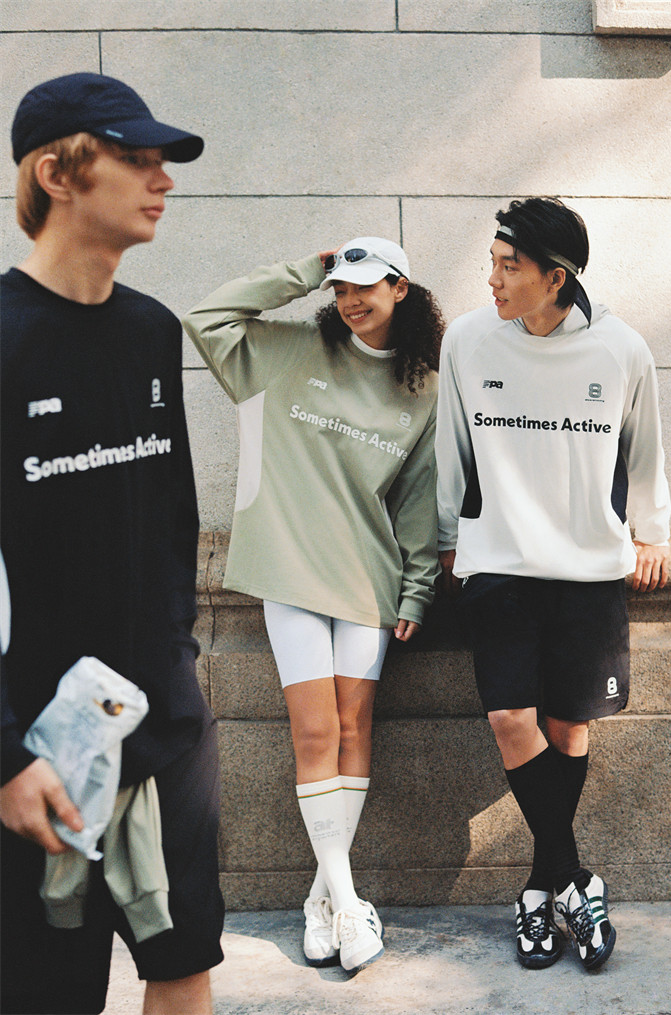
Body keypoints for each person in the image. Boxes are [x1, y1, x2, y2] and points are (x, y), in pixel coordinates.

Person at [0, 73, 224, 1015]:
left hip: (166, 730)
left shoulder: (150, 330)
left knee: (183, 969)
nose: (161, 178)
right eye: (135, 158)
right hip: (40, 751)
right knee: (51, 994)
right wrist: (8, 753)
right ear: (57, 172)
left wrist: (178, 671)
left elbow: (172, 525)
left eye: (163, 160)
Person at [183, 237, 443, 973]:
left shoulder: (420, 385)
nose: (350, 301)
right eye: (339, 289)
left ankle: (323, 898)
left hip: (367, 578)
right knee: (315, 728)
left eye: (364, 287)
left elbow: (420, 498)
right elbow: (204, 319)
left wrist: (417, 585)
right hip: (290, 573)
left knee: (356, 725)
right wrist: (304, 270)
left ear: (400, 288)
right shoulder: (283, 352)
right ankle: (350, 899)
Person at [436, 197, 671, 972]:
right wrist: (445, 539)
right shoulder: (469, 340)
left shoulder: (621, 349)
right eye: (493, 263)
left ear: (557, 277)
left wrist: (653, 532)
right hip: (499, 561)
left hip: (590, 571)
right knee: (511, 719)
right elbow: (451, 448)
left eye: (510, 267)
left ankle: (540, 892)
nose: (493, 279)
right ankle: (578, 878)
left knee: (571, 729)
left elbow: (645, 450)